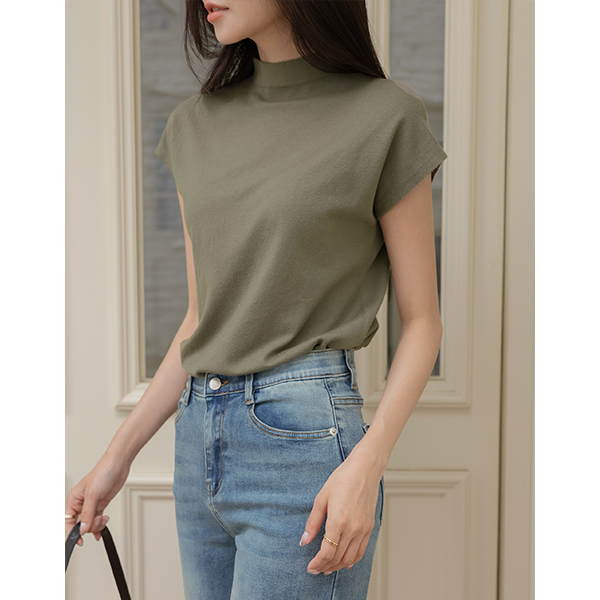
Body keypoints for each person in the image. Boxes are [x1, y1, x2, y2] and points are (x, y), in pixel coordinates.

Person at [65, 1, 448, 598]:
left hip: (303, 444)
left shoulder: (384, 117)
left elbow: (422, 322)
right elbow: (202, 321)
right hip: (197, 443)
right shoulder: (194, 125)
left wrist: (367, 464)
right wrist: (116, 459)